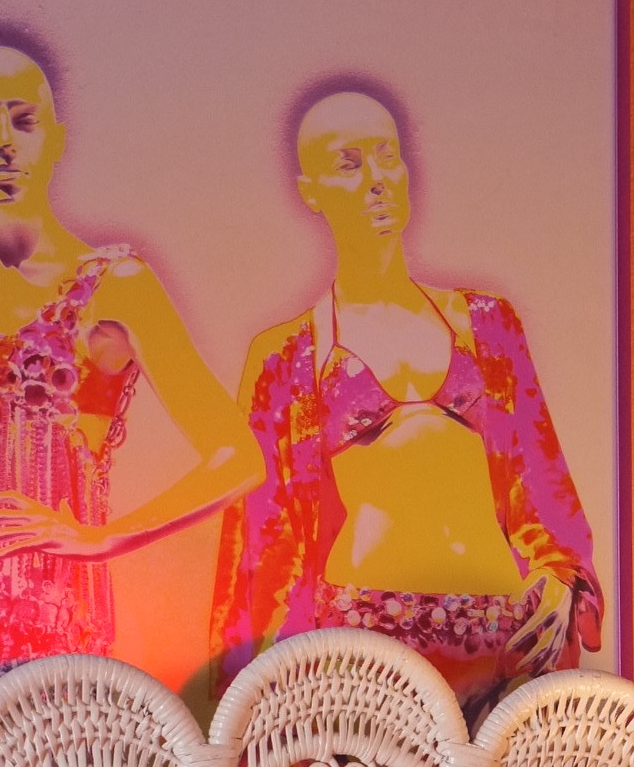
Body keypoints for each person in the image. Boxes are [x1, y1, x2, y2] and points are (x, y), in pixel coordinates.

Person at [212, 88, 603, 720]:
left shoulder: (488, 323)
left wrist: (561, 577)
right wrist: (257, 700)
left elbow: (541, 477)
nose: (377, 180)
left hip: (500, 631)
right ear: (311, 191)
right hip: (364, 635)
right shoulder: (285, 355)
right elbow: (262, 540)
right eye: (349, 163)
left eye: (387, 156)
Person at [0, 40, 262, 659]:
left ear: (55, 140)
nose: (2, 142)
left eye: (22, 120)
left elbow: (238, 456)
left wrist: (106, 538)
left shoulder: (115, 285)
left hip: (52, 625)